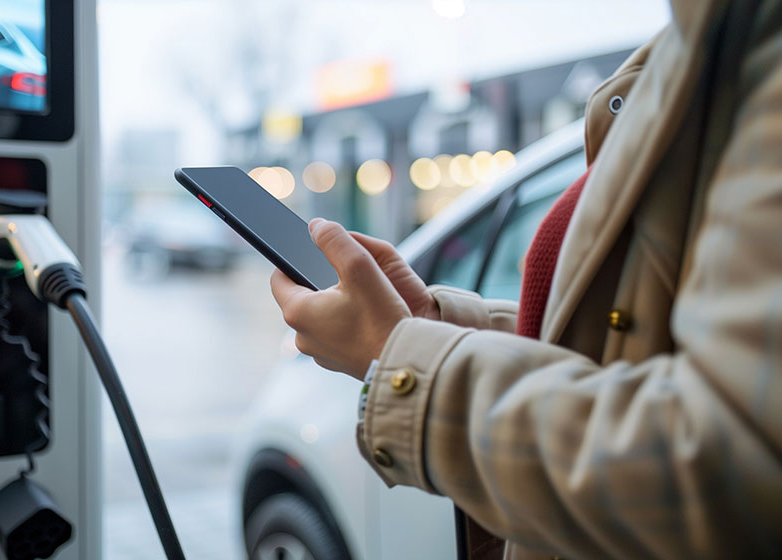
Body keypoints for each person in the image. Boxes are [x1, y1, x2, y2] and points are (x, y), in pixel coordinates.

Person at [270, 1, 782, 558]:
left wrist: (401, 359)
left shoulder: (752, 50)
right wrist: (433, 327)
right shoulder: (699, 48)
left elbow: (727, 467)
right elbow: (628, 342)